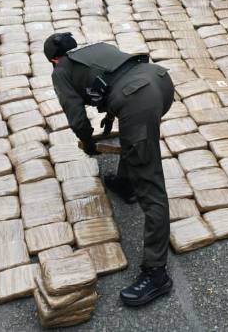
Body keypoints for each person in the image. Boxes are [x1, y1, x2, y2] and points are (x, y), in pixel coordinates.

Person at [45, 33, 175, 307]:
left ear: (54, 60)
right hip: (161, 81)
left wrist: (88, 142)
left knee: (151, 185)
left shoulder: (61, 71)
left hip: (138, 99)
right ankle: (126, 184)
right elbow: (117, 78)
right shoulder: (97, 48)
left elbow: (76, 116)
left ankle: (156, 273)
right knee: (135, 137)